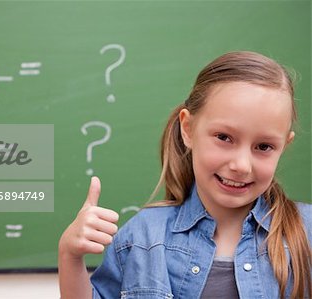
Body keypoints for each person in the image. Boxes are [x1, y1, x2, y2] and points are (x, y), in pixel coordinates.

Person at [58, 51, 312, 299]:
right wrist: (69, 254)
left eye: (264, 147)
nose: (242, 165)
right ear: (188, 129)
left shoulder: (306, 234)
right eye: (224, 138)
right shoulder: (142, 237)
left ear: (284, 146)